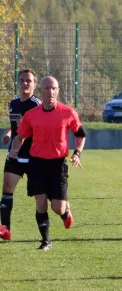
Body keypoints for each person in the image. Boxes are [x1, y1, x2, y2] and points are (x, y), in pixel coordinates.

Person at [9, 76, 86, 251]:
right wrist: (15, 149)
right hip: (36, 164)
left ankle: (65, 210)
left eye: (53, 88)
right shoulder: (31, 115)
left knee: (57, 207)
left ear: (58, 91)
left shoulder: (67, 112)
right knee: (41, 202)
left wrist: (77, 153)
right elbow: (20, 137)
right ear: (40, 91)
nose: (50, 92)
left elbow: (80, 134)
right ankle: (45, 241)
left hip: (58, 165)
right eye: (46, 88)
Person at [0, 69, 41, 241]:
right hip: (15, 152)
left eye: (28, 81)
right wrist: (9, 133)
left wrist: (25, 133)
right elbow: (16, 126)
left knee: (41, 196)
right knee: (7, 189)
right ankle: (5, 230)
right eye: (22, 80)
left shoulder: (37, 105)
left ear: (34, 84)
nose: (25, 83)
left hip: (34, 155)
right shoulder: (14, 103)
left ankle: (46, 234)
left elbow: (41, 130)